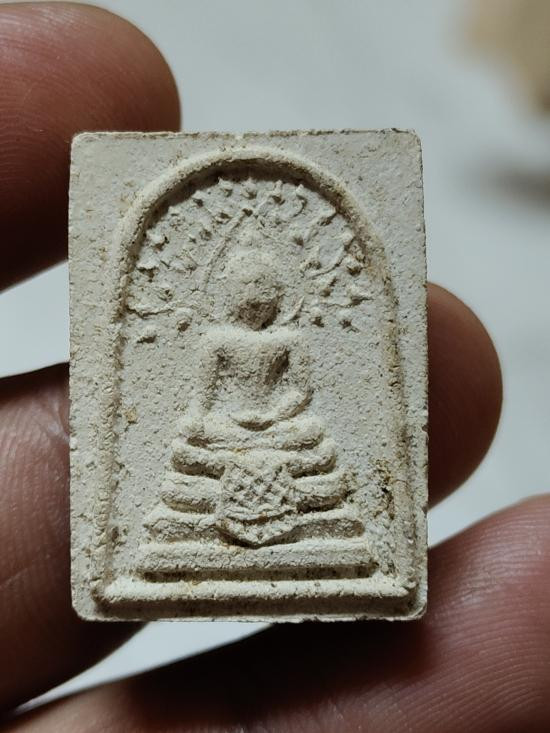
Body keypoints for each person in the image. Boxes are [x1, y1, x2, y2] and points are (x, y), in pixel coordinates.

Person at [2, 4, 547, 732]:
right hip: (225, 434)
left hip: (281, 432)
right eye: (244, 290)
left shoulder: (286, 341)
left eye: (264, 291)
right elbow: (203, 404)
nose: (255, 300)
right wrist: (226, 425)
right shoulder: (216, 344)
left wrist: (277, 418)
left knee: (312, 444)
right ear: (227, 293)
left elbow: (298, 394)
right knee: (196, 450)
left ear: (277, 294)